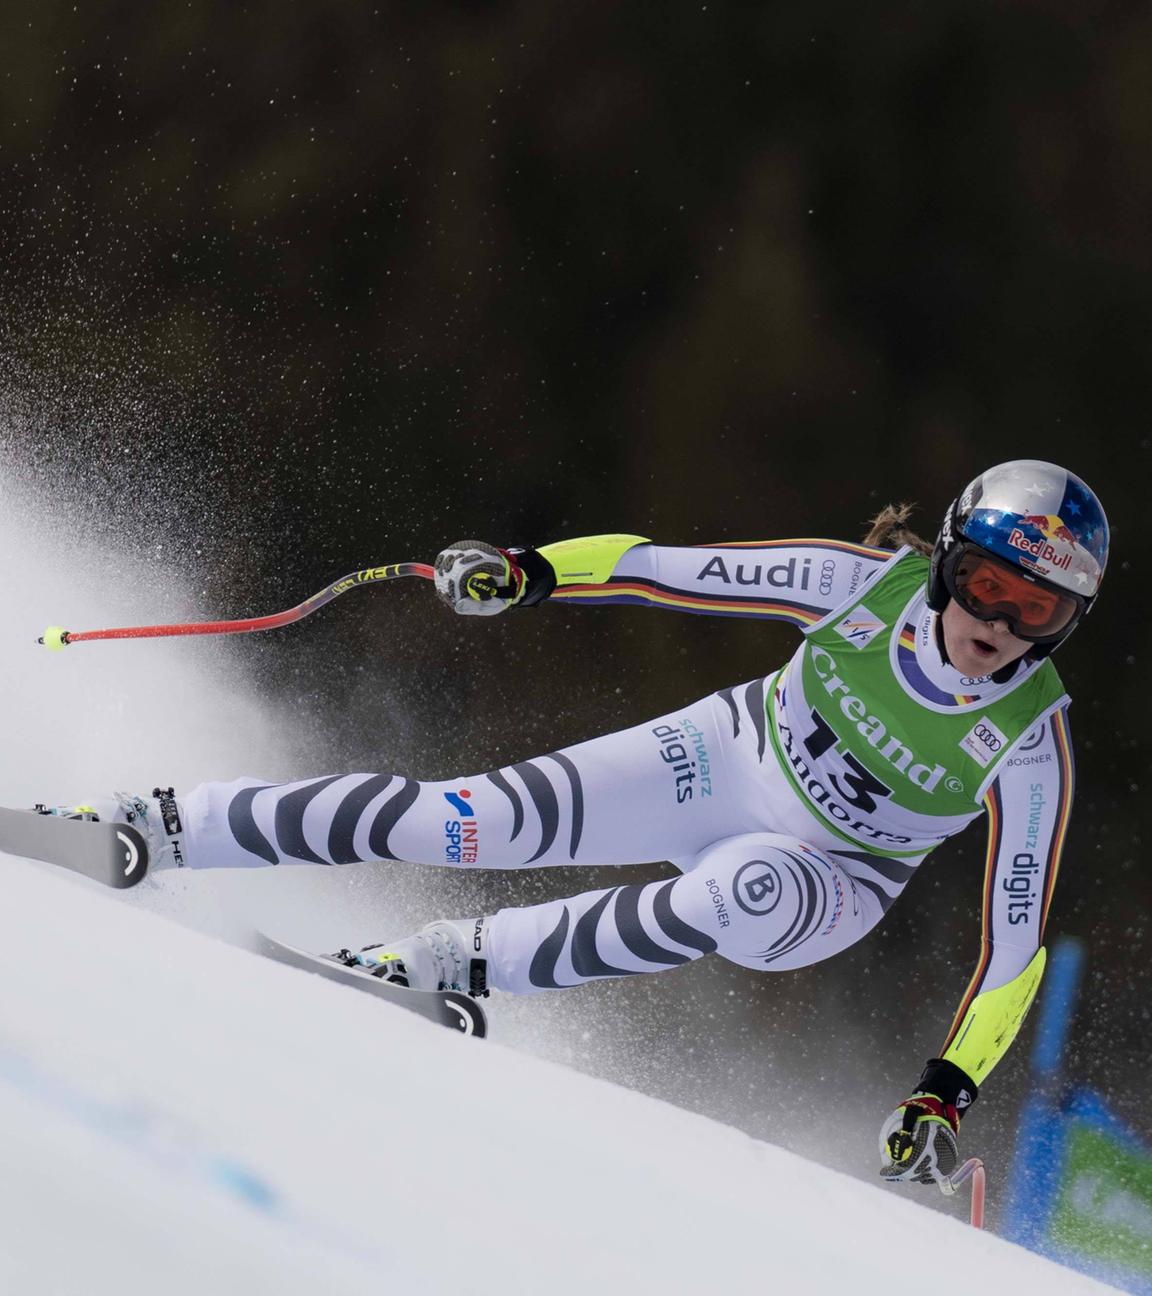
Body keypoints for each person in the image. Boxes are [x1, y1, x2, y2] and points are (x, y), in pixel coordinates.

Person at [60, 459, 1106, 1189]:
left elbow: (1012, 953)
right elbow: (658, 566)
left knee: (734, 889)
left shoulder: (1028, 740)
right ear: (948, 561)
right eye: (986, 584)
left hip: (830, 880)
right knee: (457, 823)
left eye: (1037, 613)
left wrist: (941, 1098)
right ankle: (158, 821)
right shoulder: (853, 586)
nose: (998, 625)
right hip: (726, 753)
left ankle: (444, 966)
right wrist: (527, 573)